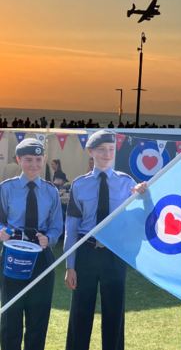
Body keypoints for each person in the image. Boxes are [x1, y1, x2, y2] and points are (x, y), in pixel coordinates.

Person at [63, 130, 147, 350]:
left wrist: (145, 196)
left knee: (114, 314)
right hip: (86, 255)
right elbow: (71, 229)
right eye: (102, 150)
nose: (107, 154)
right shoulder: (79, 185)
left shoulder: (127, 182)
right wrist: (70, 266)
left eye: (111, 149)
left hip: (114, 255)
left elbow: (138, 219)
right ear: (91, 152)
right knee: (80, 314)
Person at [0, 139, 63, 350]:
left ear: (43, 159)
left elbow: (56, 226)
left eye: (38, 159)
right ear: (19, 160)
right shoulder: (5, 189)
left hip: (41, 259)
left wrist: (50, 238)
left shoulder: (51, 191)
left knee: (39, 315)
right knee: (11, 315)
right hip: (13, 257)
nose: (34, 164)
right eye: (28, 159)